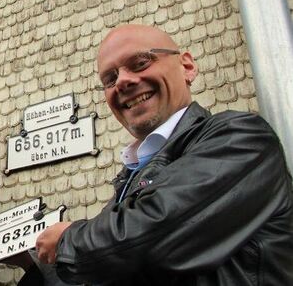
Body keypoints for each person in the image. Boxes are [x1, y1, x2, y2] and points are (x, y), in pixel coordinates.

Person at [32, 24, 293, 285]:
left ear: (187, 67)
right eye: (110, 79)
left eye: (141, 63)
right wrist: (30, 263)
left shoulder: (241, 137)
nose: (122, 81)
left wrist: (68, 239)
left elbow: (150, 239)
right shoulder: (131, 175)